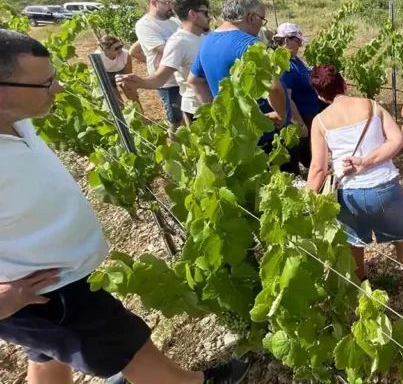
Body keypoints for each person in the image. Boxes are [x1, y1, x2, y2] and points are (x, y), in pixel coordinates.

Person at [0, 29, 249, 384]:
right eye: (45, 84)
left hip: (55, 283)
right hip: (48, 295)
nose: (58, 89)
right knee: (129, 345)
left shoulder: (16, 119)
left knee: (45, 357)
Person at [306, 64, 403, 296]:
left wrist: (307, 202)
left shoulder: (320, 122)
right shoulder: (371, 106)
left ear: (320, 94)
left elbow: (318, 169)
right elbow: (396, 140)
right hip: (385, 188)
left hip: (350, 195)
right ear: (344, 84)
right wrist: (367, 161)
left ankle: (363, 292)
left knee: (353, 245)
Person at [188, 0, 306, 149]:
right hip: (263, 137)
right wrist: (282, 114)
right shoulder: (250, 45)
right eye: (262, 19)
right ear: (252, 17)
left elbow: (194, 80)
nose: (261, 25)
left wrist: (219, 111)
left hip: (235, 135)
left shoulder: (208, 41)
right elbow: (274, 88)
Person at [117, 0, 210, 126]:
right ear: (192, 14)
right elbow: (160, 78)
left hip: (213, 102)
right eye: (205, 13)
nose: (209, 16)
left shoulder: (205, 36)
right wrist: (140, 82)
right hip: (196, 108)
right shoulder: (178, 42)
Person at [130, 0, 182, 133]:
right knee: (175, 121)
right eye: (167, 3)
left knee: (190, 116)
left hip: (182, 77)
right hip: (167, 81)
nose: (171, 7)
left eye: (171, 3)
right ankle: (176, 151)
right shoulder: (144, 25)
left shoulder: (174, 21)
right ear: (154, 3)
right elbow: (165, 50)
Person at [273, 22, 321, 169]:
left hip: (308, 115)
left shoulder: (295, 59)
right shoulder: (284, 65)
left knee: (307, 152)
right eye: (298, 41)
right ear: (286, 40)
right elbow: (287, 98)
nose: (300, 44)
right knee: (294, 155)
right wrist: (298, 123)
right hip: (299, 118)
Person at [94, 35, 142, 109]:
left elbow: (128, 73)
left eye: (120, 46)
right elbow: (100, 75)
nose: (120, 50)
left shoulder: (126, 54)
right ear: (106, 50)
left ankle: (141, 118)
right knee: (116, 100)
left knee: (132, 96)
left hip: (122, 71)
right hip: (106, 74)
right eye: (116, 48)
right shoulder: (98, 57)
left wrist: (128, 86)